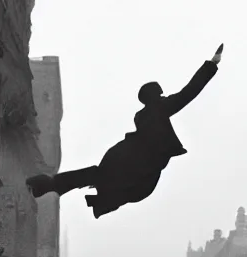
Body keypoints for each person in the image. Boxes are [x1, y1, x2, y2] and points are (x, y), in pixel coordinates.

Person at [26, 44, 223, 219]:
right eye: (161, 94)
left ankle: (52, 184)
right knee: (131, 188)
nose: (164, 96)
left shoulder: (141, 115)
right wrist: (211, 65)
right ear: (156, 96)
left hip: (124, 154)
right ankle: (83, 196)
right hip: (142, 161)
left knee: (99, 175)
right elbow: (189, 92)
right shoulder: (160, 108)